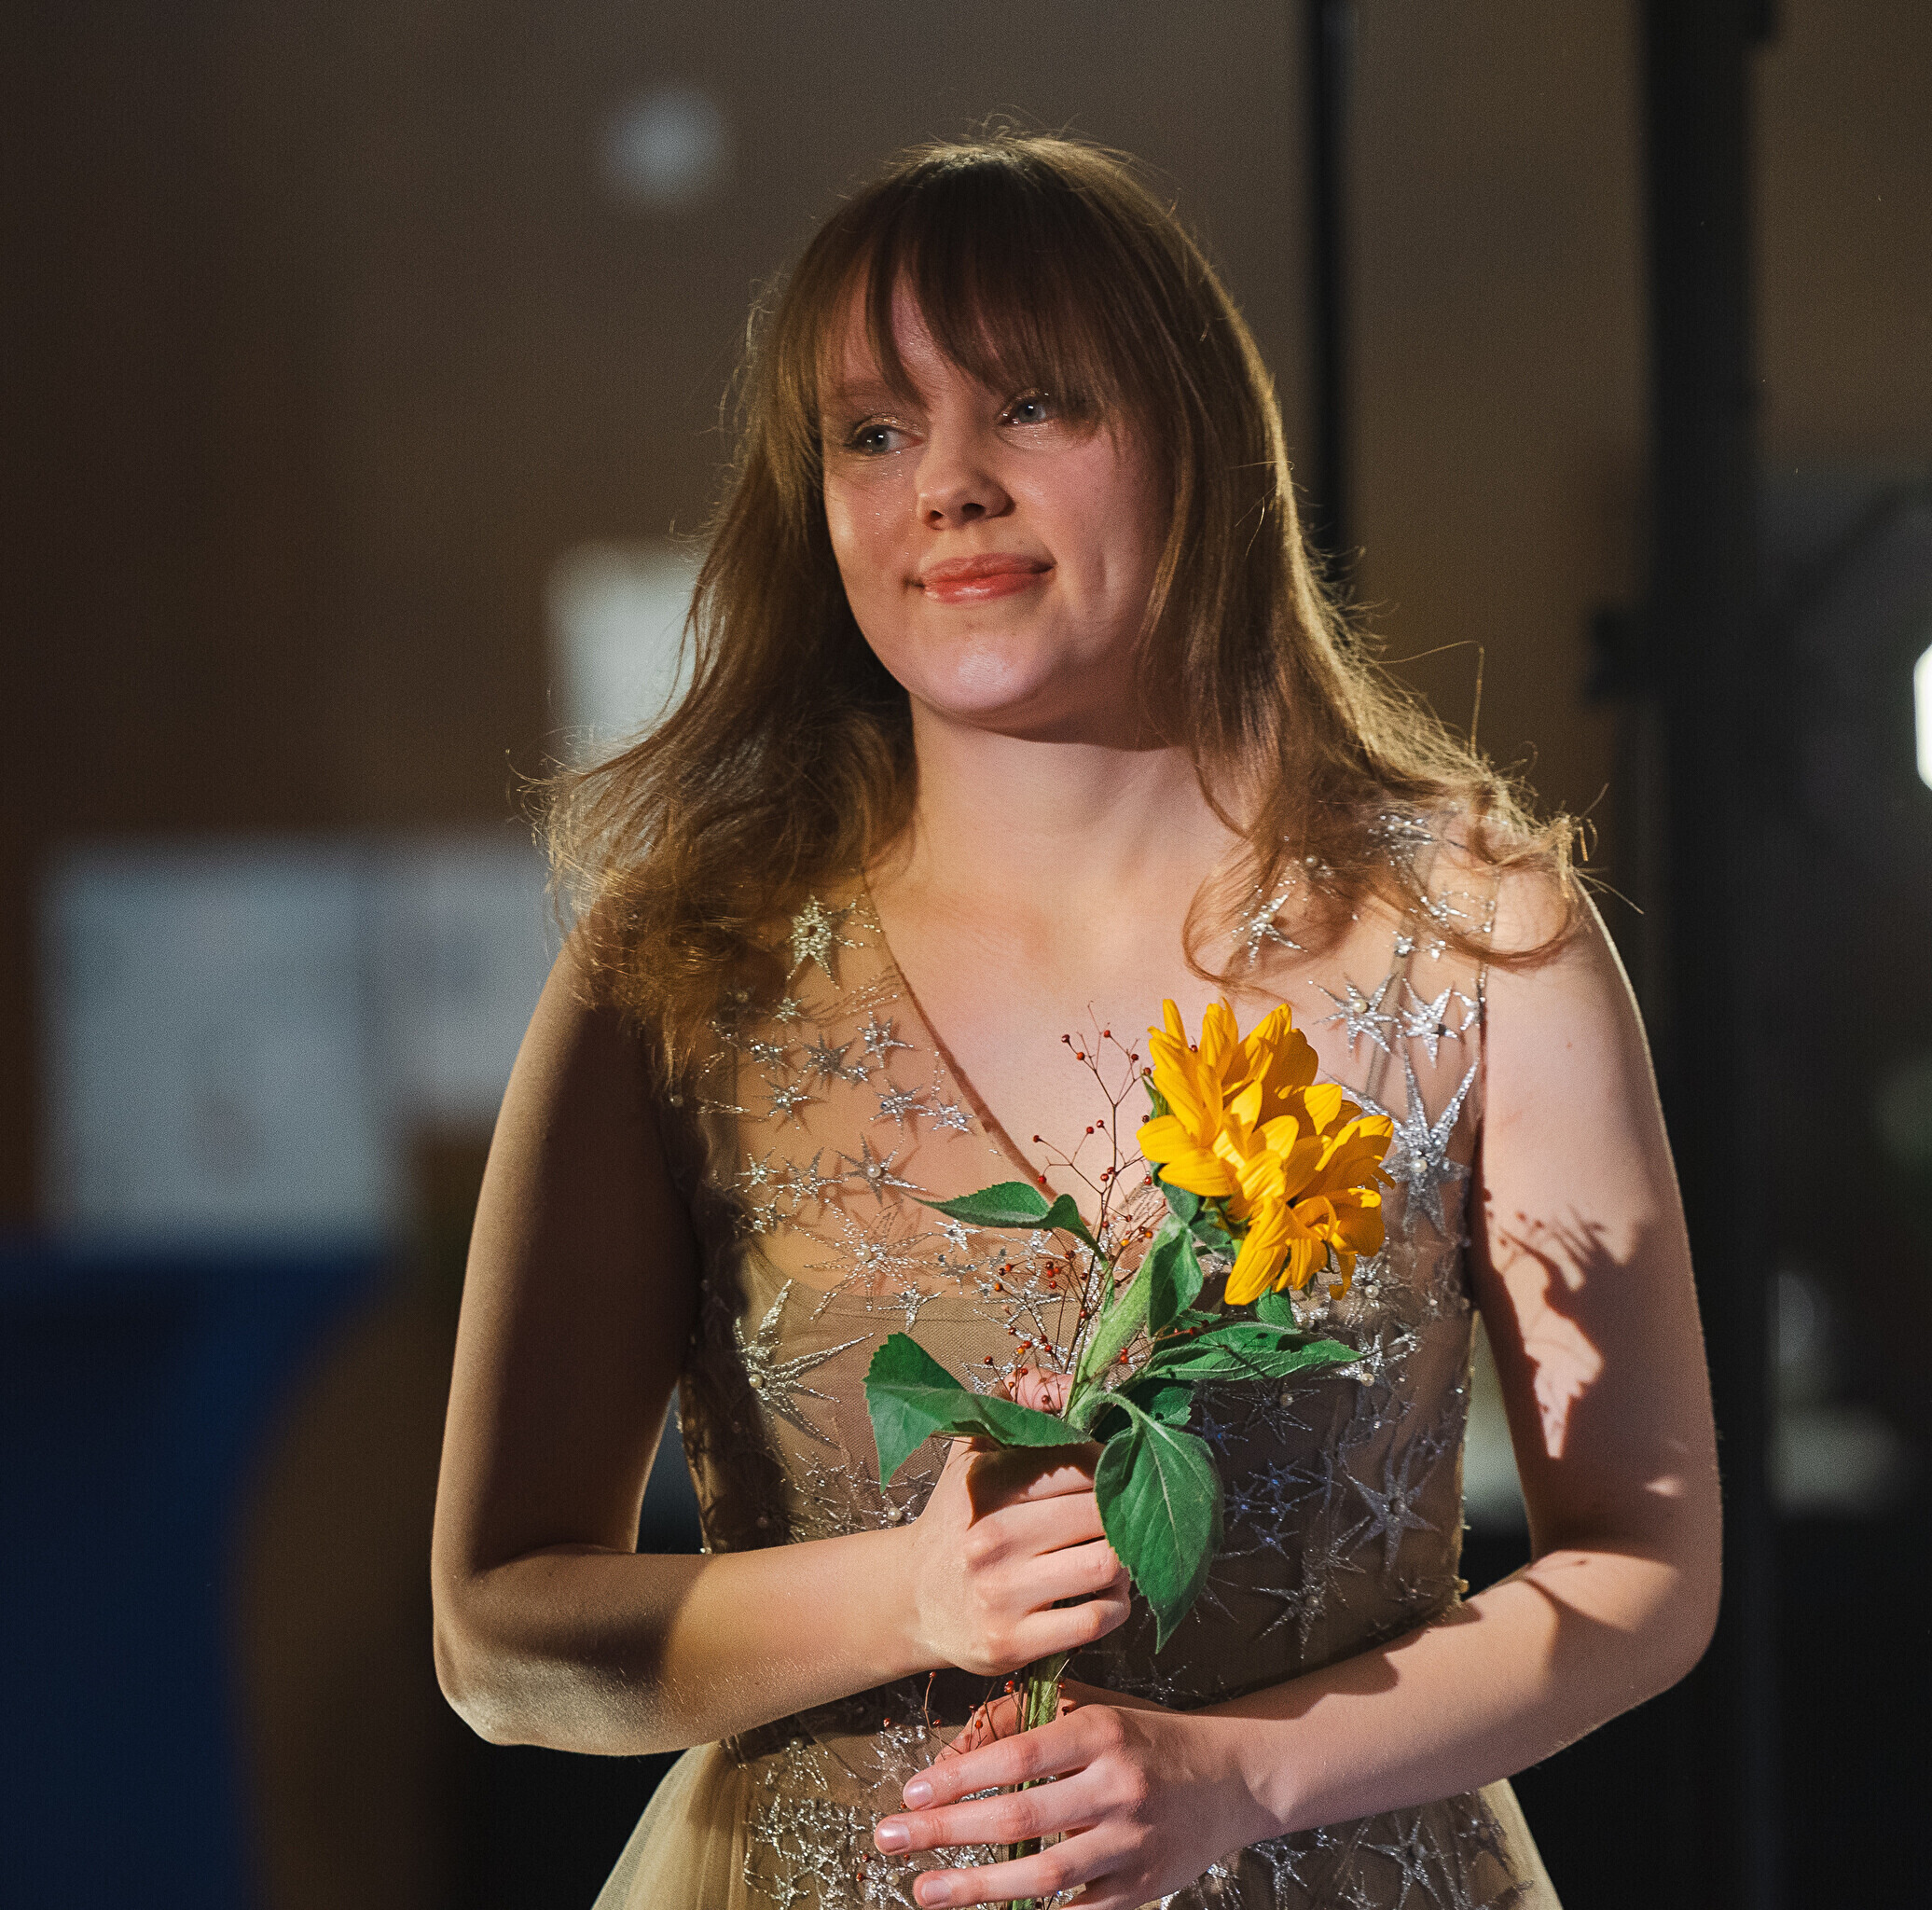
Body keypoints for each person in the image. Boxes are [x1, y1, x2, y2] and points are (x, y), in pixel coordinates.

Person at [430, 132, 1720, 1910]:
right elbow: (497, 1639)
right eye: (875, 433)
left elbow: (1647, 1563)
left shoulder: (1475, 939)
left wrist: (1244, 1778)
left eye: (1031, 408)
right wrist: (904, 1597)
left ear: (1196, 440)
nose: (950, 488)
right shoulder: (684, 969)